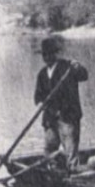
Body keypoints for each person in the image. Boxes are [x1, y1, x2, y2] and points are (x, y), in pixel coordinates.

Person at [34, 35, 89, 166]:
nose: (46, 58)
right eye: (44, 55)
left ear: (55, 54)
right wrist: (42, 104)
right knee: (49, 150)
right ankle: (51, 173)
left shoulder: (67, 67)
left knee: (70, 150)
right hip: (50, 118)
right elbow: (38, 96)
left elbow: (83, 75)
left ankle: (73, 174)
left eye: (49, 54)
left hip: (68, 118)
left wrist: (78, 67)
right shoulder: (42, 74)